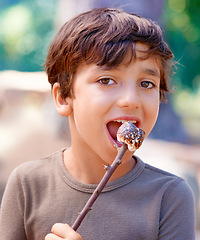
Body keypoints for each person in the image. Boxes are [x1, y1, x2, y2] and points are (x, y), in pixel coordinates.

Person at [0, 8, 195, 240]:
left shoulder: (169, 196)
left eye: (146, 84)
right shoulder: (27, 184)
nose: (131, 100)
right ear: (63, 98)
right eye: (106, 80)